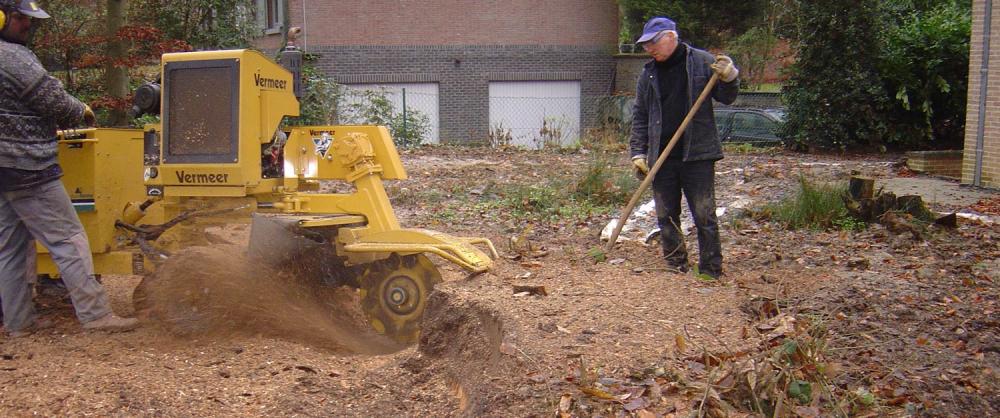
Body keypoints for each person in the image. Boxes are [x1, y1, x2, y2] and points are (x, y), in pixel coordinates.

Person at [0, 0, 139, 337]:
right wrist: (82, 111)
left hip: (4, 170)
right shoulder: (11, 57)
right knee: (69, 239)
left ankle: (19, 324)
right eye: (20, 19)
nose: (27, 26)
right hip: (28, 167)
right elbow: (52, 99)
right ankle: (96, 316)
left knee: (12, 248)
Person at [629, 17, 739, 279]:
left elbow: (727, 97)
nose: (649, 49)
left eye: (653, 43)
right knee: (666, 215)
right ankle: (675, 265)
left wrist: (730, 77)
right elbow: (640, 114)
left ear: (671, 36)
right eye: (645, 45)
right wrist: (638, 152)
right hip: (662, 156)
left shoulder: (702, 62)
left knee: (704, 214)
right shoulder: (649, 73)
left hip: (698, 154)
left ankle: (710, 270)